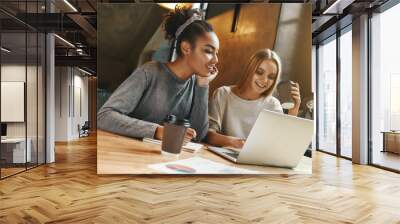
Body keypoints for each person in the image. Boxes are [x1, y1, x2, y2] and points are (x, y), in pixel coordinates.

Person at [98, 6, 219, 142]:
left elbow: (198, 137)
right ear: (186, 48)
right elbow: (104, 116)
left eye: (216, 53)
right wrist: (157, 131)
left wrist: (203, 85)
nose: (215, 60)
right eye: (208, 51)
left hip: (160, 159)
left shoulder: (196, 84)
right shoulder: (149, 72)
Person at [207, 48, 300, 148]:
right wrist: (233, 142)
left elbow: (281, 144)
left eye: (271, 77)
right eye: (259, 72)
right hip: (224, 155)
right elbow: (208, 135)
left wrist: (293, 111)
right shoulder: (223, 94)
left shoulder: (273, 104)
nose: (264, 80)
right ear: (250, 70)